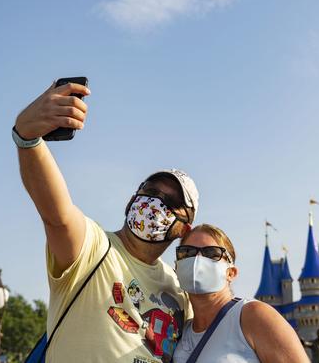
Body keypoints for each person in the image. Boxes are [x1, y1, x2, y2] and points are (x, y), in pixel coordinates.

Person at [14, 81, 199, 362]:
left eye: (171, 202)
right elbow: (58, 216)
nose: (155, 203)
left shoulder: (178, 289)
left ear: (183, 229)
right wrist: (27, 139)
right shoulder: (94, 247)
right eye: (150, 192)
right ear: (131, 201)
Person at [172, 224, 309, 363]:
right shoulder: (179, 333)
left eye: (212, 253)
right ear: (177, 267)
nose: (197, 260)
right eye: (187, 252)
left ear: (231, 273)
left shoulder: (253, 316)